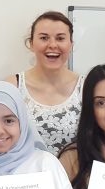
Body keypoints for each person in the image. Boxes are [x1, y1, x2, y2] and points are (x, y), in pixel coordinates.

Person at [8, 11, 83, 156]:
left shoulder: (85, 87)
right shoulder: (13, 86)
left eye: (60, 38)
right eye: (44, 38)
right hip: (25, 176)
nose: (52, 45)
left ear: (71, 44)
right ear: (31, 43)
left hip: (73, 177)